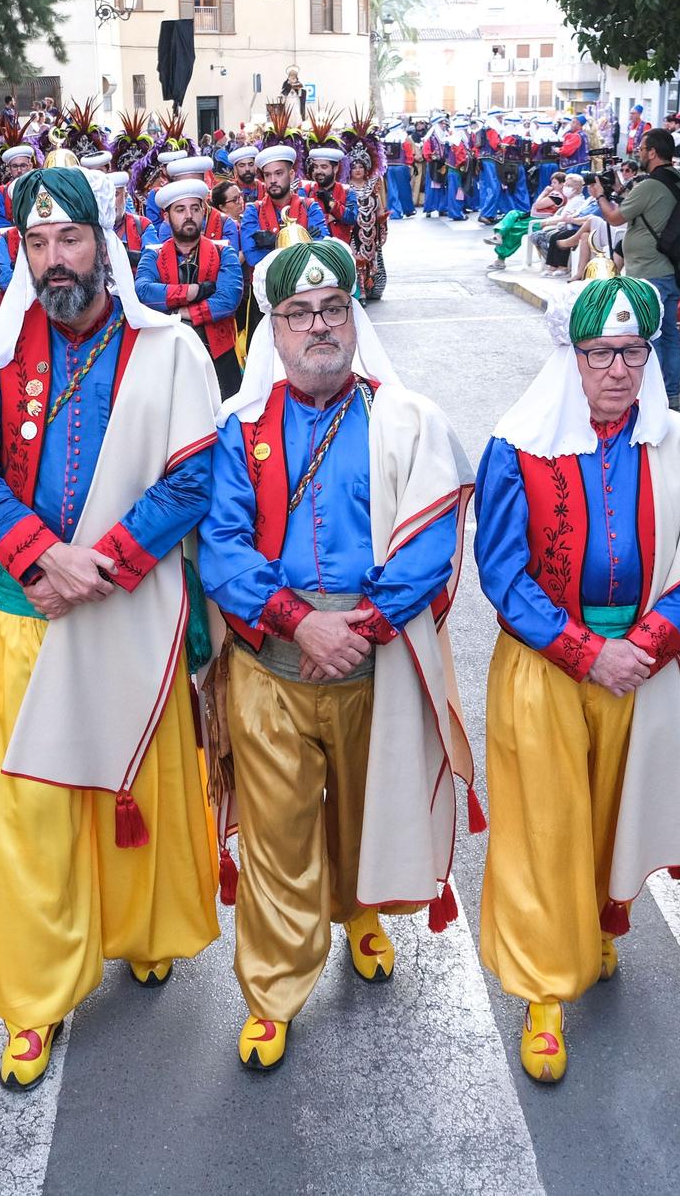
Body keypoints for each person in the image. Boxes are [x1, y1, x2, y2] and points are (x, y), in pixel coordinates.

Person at [0, 166, 220, 1092]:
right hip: (27, 615)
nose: (56, 259)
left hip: (128, 609)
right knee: (30, 814)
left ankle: (141, 931)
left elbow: (192, 476)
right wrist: (35, 554)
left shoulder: (173, 348)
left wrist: (99, 563)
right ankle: (35, 999)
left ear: (105, 242)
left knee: (130, 784)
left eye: (70, 239)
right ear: (21, 252)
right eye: (36, 242)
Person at [200, 234, 475, 1071]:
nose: (317, 328)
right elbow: (221, 544)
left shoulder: (409, 420)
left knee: (363, 815)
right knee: (278, 841)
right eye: (297, 315)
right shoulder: (236, 430)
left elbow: (431, 541)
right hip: (269, 669)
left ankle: (359, 913)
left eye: (331, 310)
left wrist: (360, 627)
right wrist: (296, 623)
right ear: (271, 331)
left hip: (375, 664)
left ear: (352, 318)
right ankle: (273, 994)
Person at [476, 267, 680, 1083]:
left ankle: (602, 928)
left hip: (641, 663)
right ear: (569, 358)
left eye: (632, 352)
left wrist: (649, 642)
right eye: (598, 353)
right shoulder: (518, 444)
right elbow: (502, 572)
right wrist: (585, 650)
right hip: (546, 666)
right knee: (544, 827)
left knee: (615, 815)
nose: (617, 370)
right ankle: (545, 995)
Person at [597, 128, 680, 410]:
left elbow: (614, 217)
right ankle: (671, 395)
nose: (638, 151)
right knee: (670, 334)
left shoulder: (651, 186)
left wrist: (600, 195)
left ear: (652, 152)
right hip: (672, 269)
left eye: (642, 147)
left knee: (652, 336)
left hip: (649, 274)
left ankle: (654, 399)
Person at [136, 178, 245, 394]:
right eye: (180, 210)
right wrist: (194, 291)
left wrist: (180, 312)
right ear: (166, 217)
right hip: (168, 355)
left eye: (195, 208)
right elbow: (143, 291)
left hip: (219, 355)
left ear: (203, 213)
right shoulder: (153, 254)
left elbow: (228, 300)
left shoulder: (224, 252)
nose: (188, 215)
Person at [246, 146, 330, 269]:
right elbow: (253, 257)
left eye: (279, 173)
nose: (273, 180)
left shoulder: (310, 207)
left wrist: (276, 242)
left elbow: (322, 250)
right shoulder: (253, 211)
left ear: (291, 175)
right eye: (267, 175)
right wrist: (304, 241)